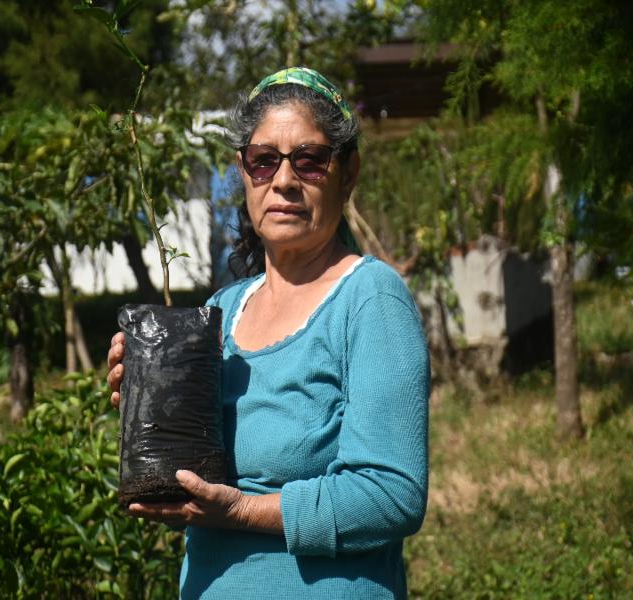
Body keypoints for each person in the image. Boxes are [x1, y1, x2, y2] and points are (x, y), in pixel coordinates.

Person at [107, 67, 430, 599]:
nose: (283, 180)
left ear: (348, 173)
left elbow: (392, 495)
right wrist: (152, 412)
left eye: (310, 160)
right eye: (264, 160)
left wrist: (241, 511)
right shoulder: (222, 310)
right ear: (243, 171)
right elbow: (193, 490)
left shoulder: (370, 299)